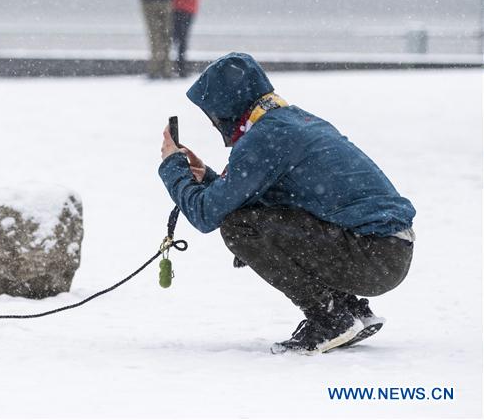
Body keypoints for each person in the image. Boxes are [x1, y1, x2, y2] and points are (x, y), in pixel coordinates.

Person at [157, 53, 415, 354]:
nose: (215, 123)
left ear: (227, 109)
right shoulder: (288, 121)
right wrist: (207, 179)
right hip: (387, 251)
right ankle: (348, 310)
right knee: (251, 217)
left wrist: (173, 166)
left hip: (374, 257)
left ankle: (330, 316)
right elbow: (265, 200)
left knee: (239, 227)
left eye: (213, 115)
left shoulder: (266, 138)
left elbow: (206, 215)